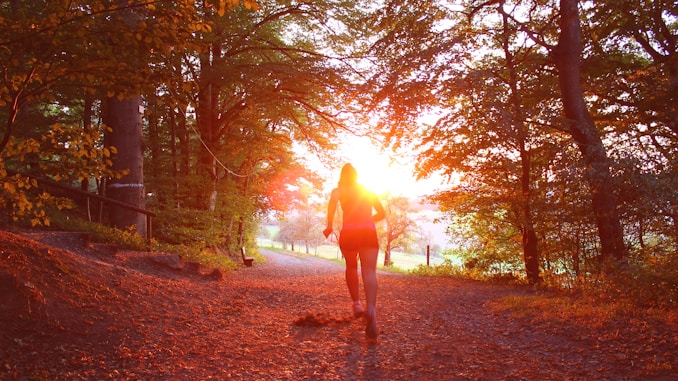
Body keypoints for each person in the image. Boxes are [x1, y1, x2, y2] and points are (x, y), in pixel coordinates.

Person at [323, 163, 385, 339]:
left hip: (349, 233)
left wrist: (329, 226)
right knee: (369, 271)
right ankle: (371, 309)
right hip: (368, 232)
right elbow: (382, 213)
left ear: (342, 176)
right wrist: (367, 219)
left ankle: (357, 304)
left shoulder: (338, 191)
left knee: (351, 266)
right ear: (357, 176)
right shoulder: (368, 191)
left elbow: (331, 209)